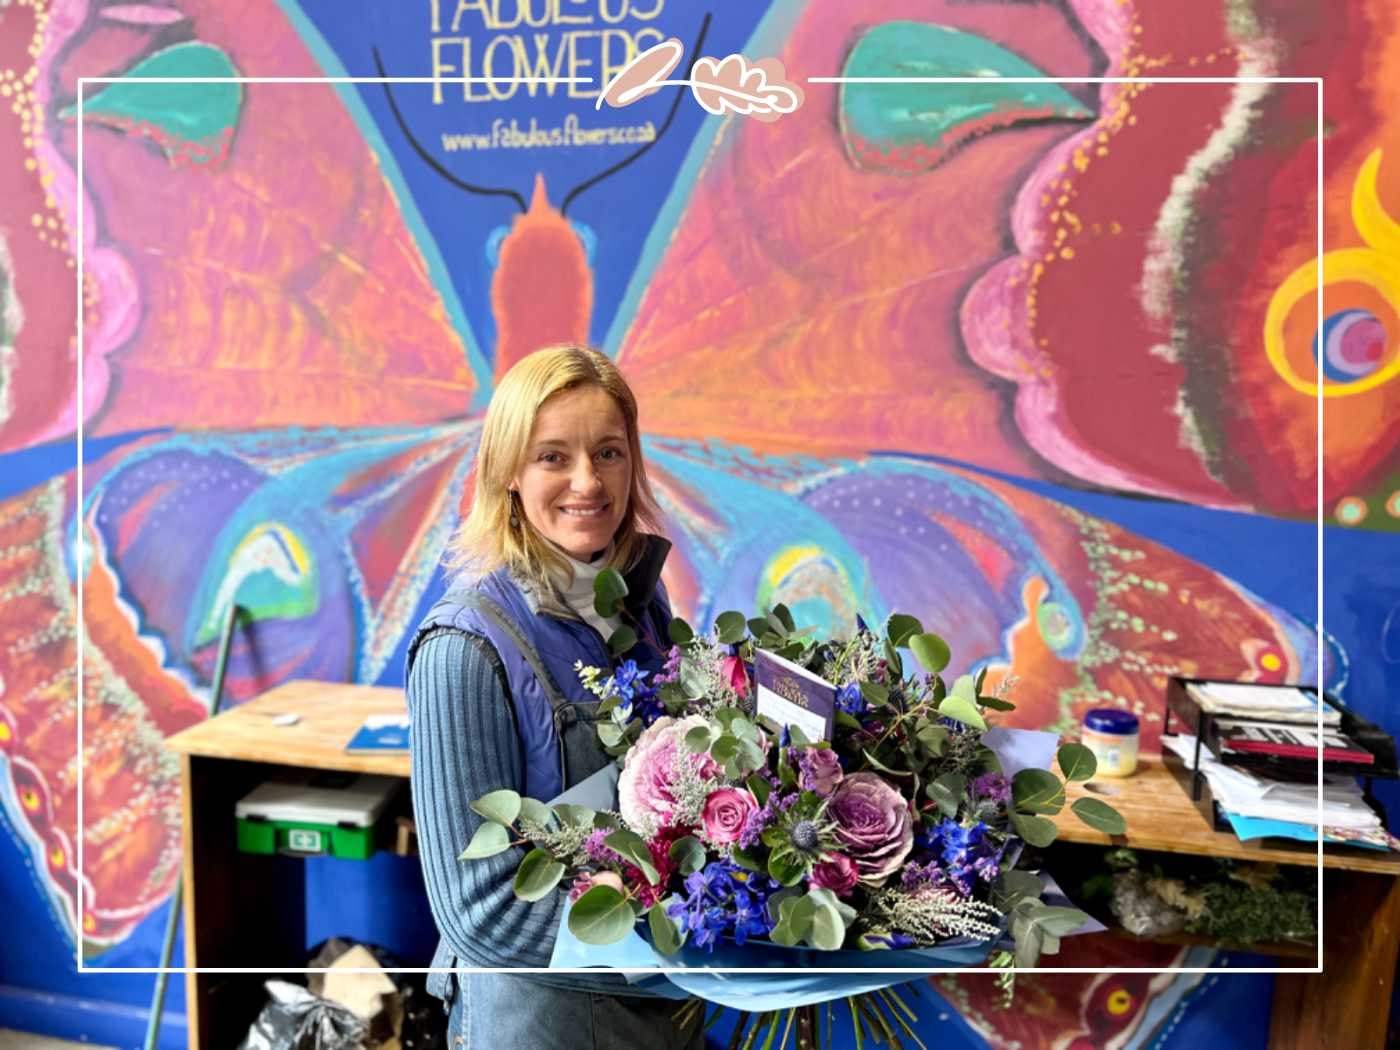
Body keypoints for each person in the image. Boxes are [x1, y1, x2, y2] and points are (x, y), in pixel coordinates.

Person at [404, 345, 703, 1049]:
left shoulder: (642, 605)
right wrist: (691, 950)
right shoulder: (464, 649)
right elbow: (483, 914)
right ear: (508, 470)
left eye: (608, 452)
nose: (587, 482)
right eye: (552, 457)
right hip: (543, 1024)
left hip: (663, 1018)